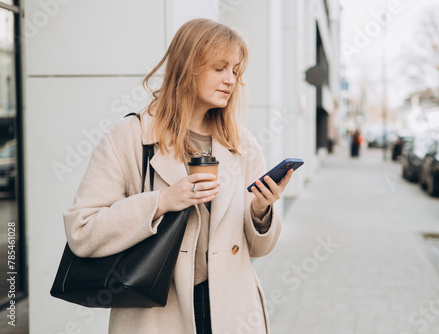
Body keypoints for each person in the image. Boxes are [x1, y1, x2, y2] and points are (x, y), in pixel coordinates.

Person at [63, 18, 293, 334]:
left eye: (236, 71)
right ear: (187, 67)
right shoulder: (130, 138)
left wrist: (261, 211)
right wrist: (161, 202)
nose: (230, 80)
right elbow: (82, 231)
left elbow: (259, 249)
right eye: (220, 68)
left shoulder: (241, 145)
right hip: (157, 316)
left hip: (232, 312)